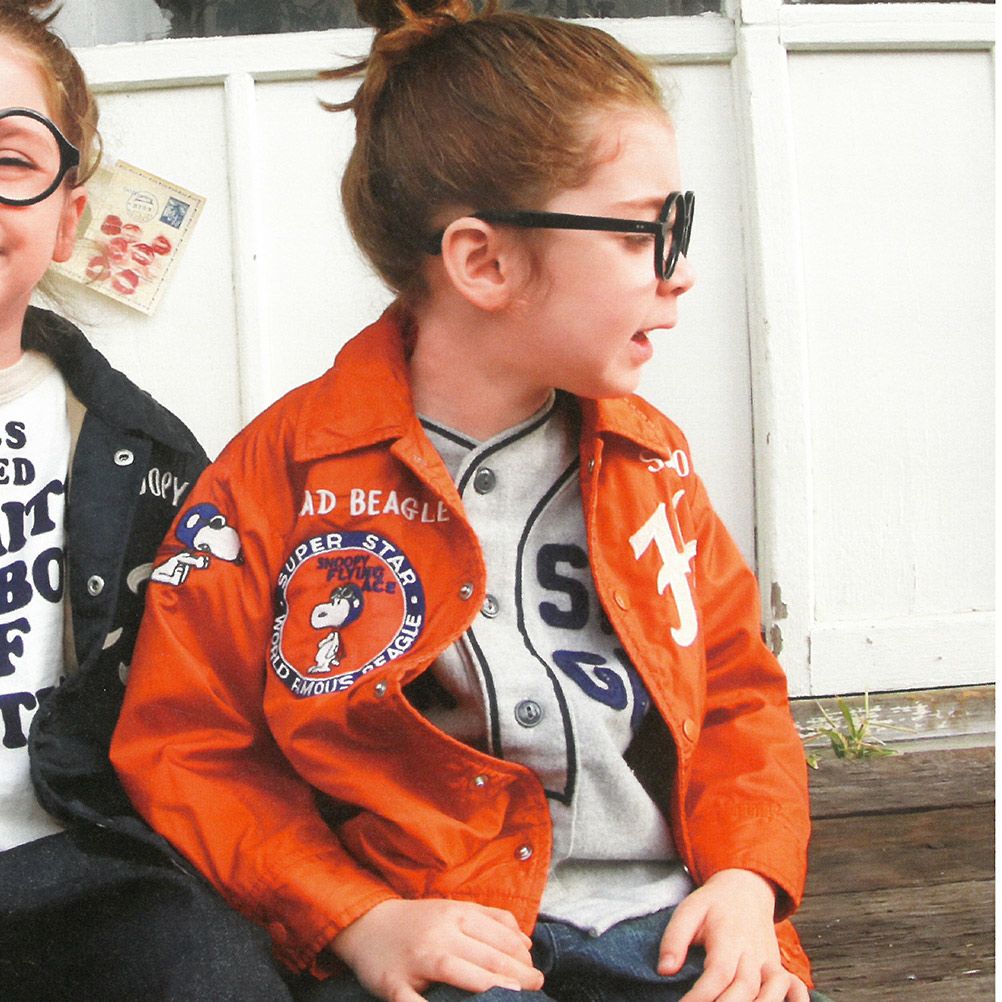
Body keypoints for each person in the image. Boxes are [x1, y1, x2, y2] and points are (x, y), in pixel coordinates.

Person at [112, 1, 820, 1000]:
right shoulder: (277, 480)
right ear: (484, 262)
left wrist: (748, 878)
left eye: (678, 225)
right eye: (641, 234)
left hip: (670, 926)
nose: (682, 271)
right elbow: (189, 746)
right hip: (436, 929)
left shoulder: (652, 464)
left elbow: (739, 693)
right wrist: (354, 917)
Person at [0, 2, 295, 998]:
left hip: (83, 869)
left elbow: (213, 717)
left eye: (8, 159)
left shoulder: (152, 457)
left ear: (68, 217)